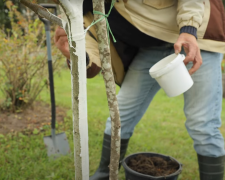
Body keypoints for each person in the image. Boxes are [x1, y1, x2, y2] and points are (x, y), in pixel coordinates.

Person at [54, 0, 225, 179]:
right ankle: (104, 173)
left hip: (198, 40)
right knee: (120, 114)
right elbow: (91, 53)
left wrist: (189, 29)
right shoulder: (77, 8)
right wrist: (74, 53)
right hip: (152, 48)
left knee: (202, 124)